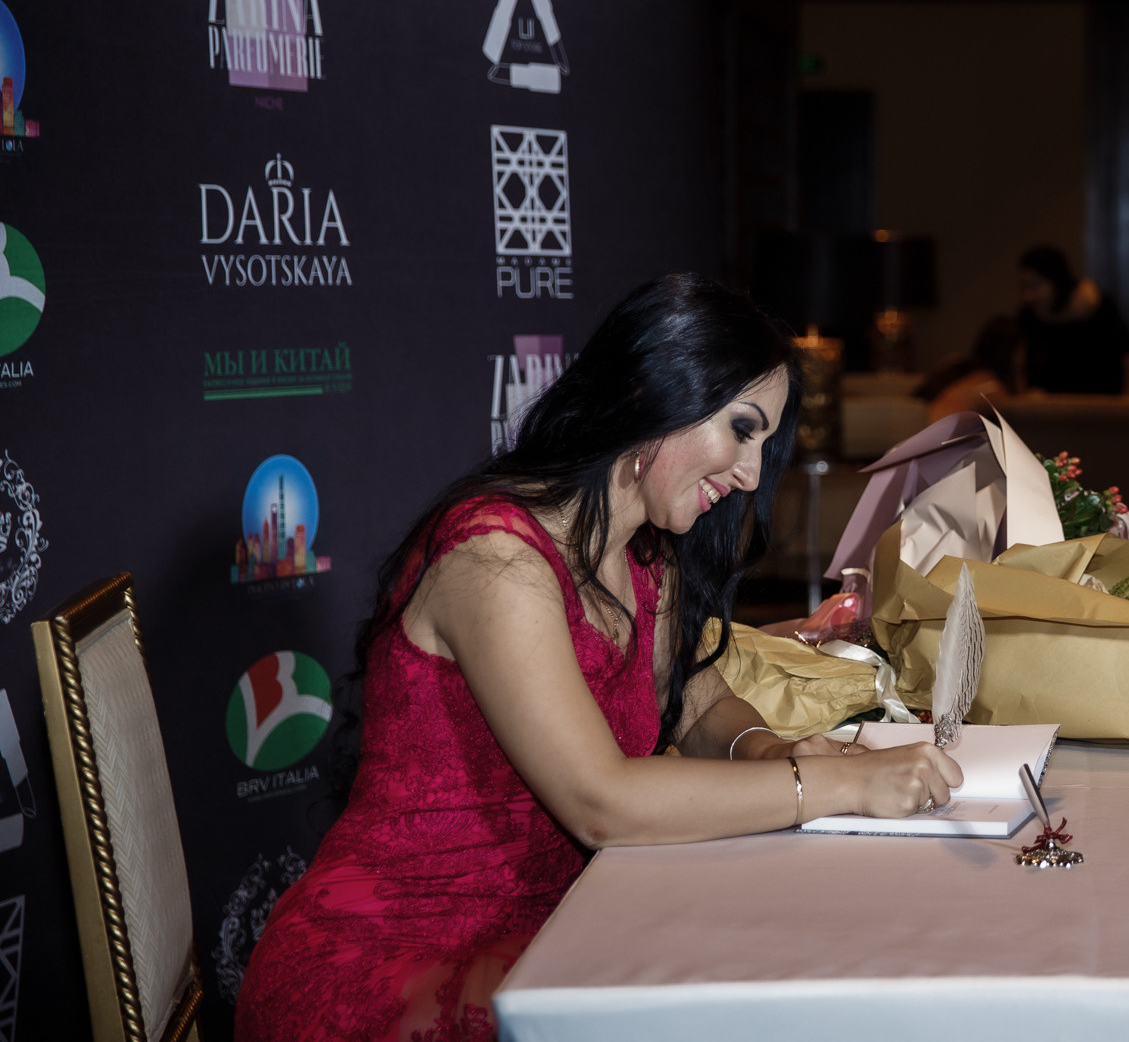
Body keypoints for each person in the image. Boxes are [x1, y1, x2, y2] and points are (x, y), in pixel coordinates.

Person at [236, 276, 964, 1042]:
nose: (751, 474)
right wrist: (838, 781)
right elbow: (601, 801)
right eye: (741, 429)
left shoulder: (648, 553)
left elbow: (701, 701)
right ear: (659, 393)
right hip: (393, 961)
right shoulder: (494, 558)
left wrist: (770, 748)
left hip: (560, 925)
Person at [1016, 244, 1129, 394]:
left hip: (1101, 406)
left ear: (1057, 281)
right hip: (1048, 410)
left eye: (1035, 285)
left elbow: (1127, 355)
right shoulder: (1029, 315)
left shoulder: (1096, 306)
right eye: (1024, 287)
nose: (1028, 295)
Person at [914, 314, 1025, 420]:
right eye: (1021, 349)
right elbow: (1017, 410)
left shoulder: (959, 369)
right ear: (1011, 351)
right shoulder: (991, 386)